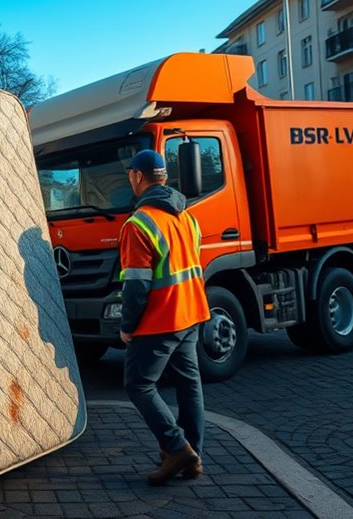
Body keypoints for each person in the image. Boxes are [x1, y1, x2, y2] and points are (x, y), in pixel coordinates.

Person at [119, 149, 210, 485]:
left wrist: (127, 327)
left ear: (137, 177)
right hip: (192, 313)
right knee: (190, 385)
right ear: (164, 178)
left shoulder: (138, 223)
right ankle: (194, 457)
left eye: (130, 173)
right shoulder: (187, 217)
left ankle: (176, 448)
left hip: (161, 319)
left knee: (139, 385)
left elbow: (136, 286)